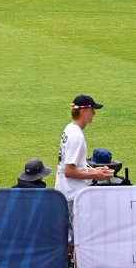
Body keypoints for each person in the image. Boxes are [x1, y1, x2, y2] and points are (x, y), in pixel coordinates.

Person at [54, 95, 114, 235]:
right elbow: (69, 170)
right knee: (74, 238)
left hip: (66, 190)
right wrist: (95, 174)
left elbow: (72, 165)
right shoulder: (76, 136)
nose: (94, 113)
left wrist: (93, 169)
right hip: (72, 194)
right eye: (92, 109)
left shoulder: (70, 128)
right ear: (84, 110)